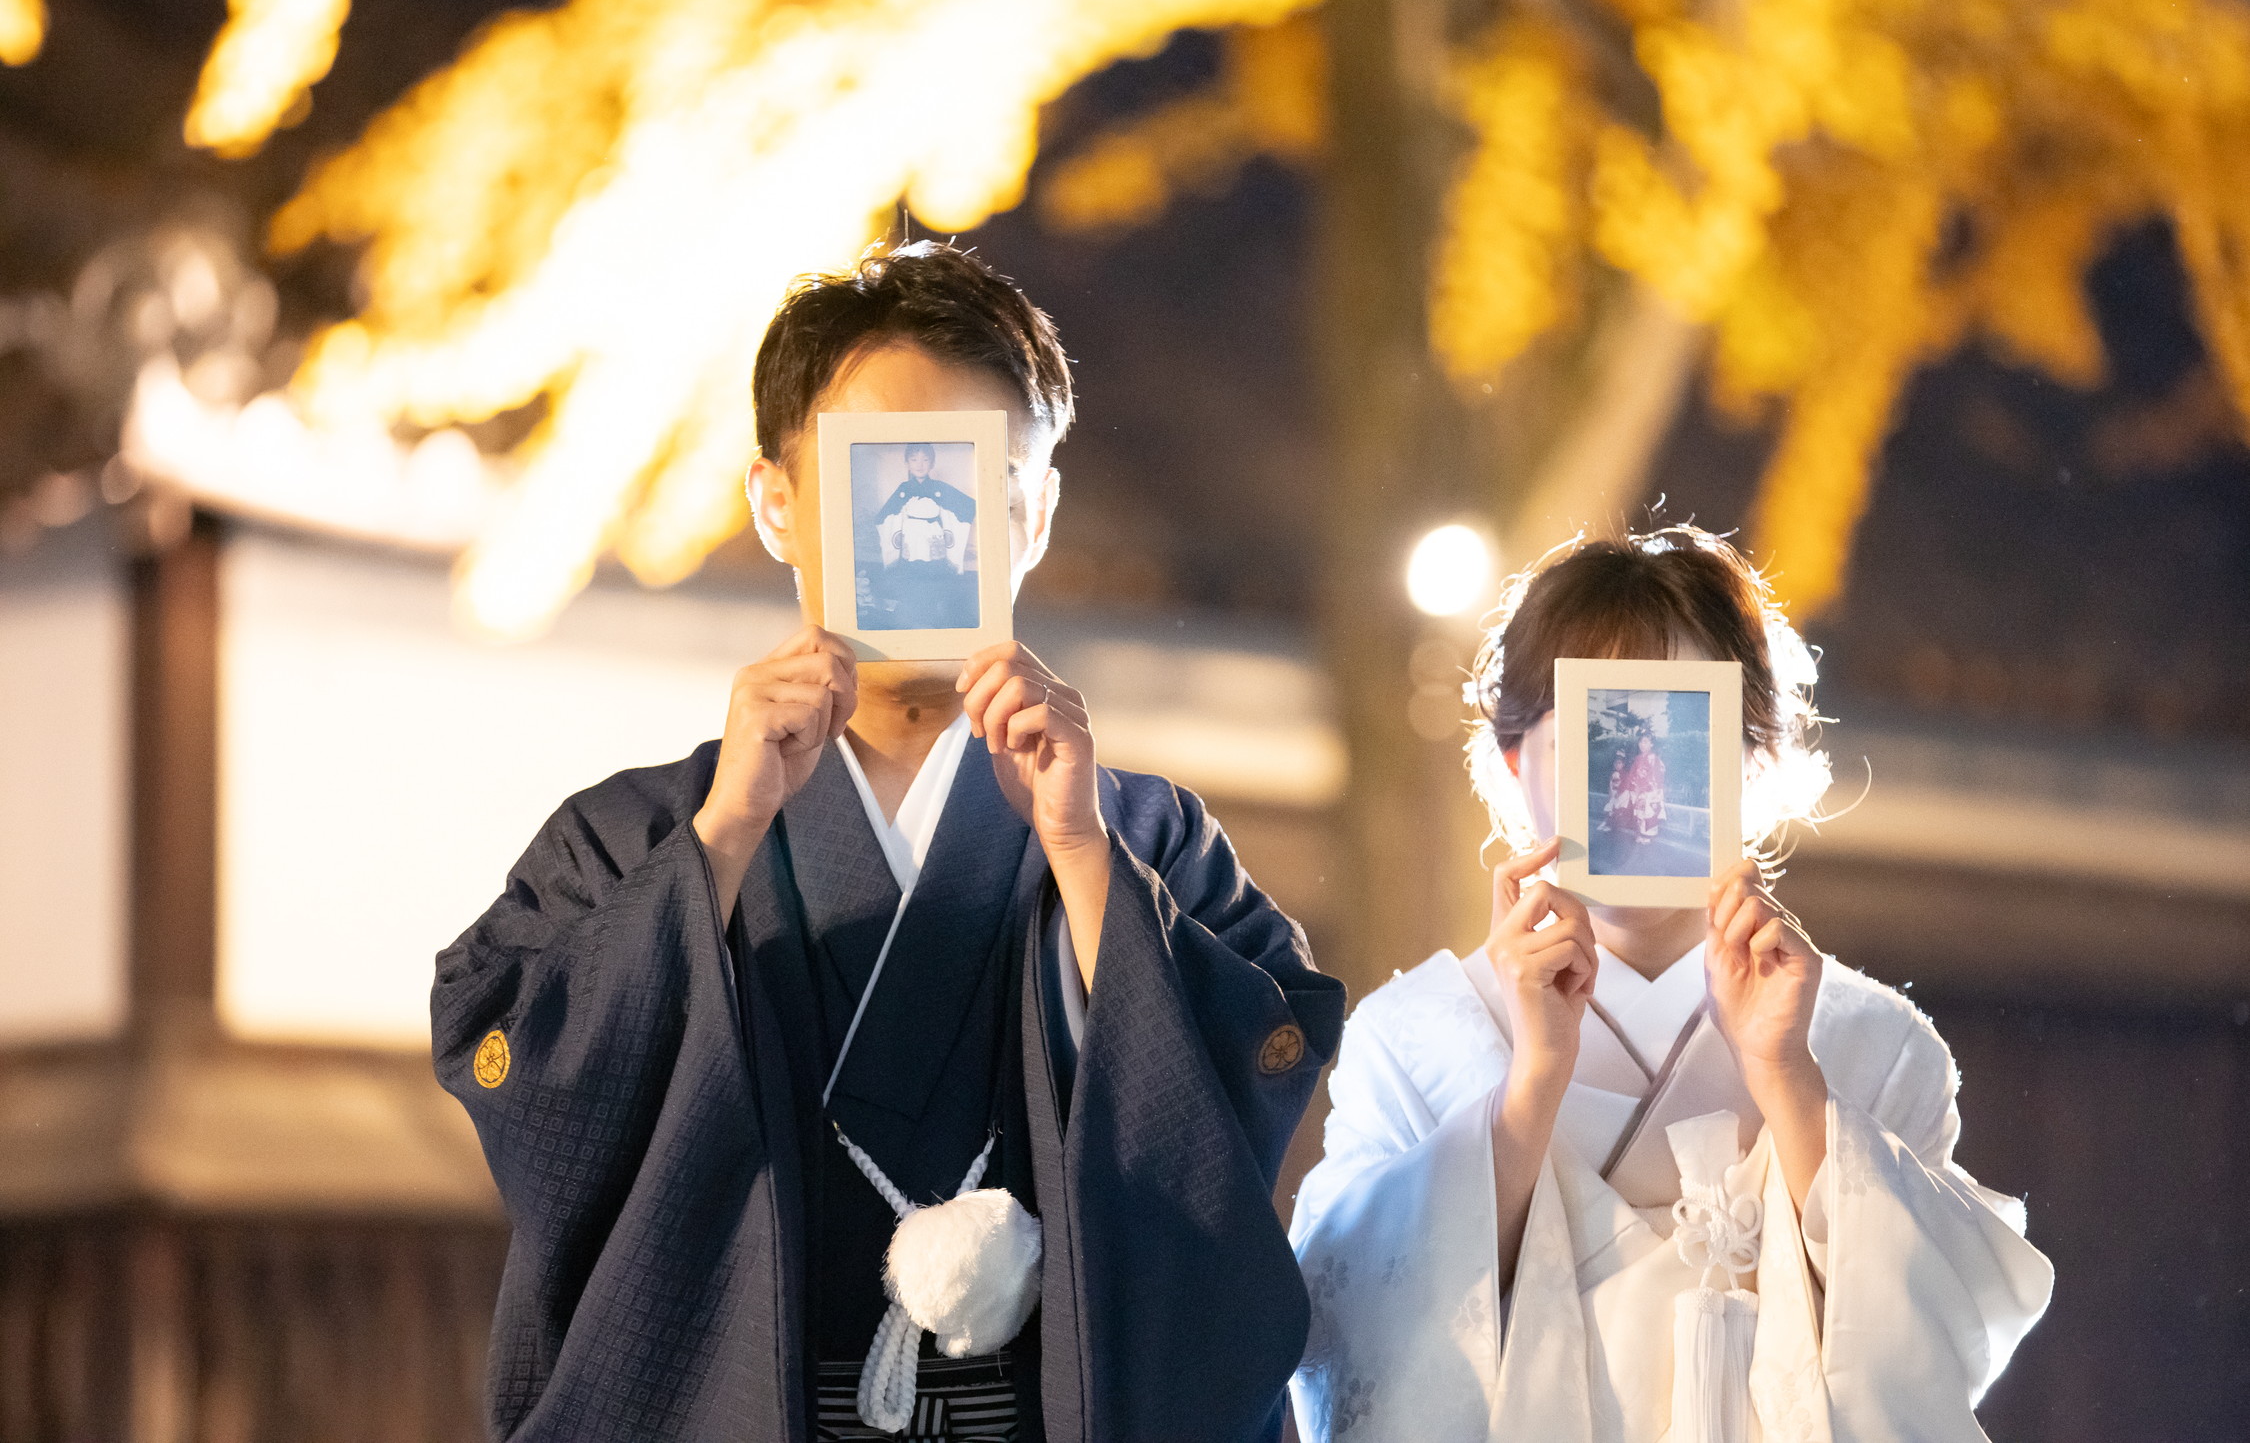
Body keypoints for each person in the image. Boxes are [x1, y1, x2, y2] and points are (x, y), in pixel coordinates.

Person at [433, 242, 1343, 1443]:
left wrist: (1082, 859)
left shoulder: (1144, 839)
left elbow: (1258, 1071)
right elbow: (522, 1072)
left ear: (1035, 512)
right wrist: (722, 840)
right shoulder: (633, 837)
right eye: (873, 477)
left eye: (985, 478)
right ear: (778, 503)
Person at [1289, 527, 2051, 1443]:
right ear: (1515, 762)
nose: (1636, 778)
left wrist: (1790, 1081)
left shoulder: (1871, 1044)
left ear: (1754, 761)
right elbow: (1346, 1333)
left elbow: (1935, 1344)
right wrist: (1531, 1087)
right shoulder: (1414, 1039)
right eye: (1596, 733)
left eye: (1683, 733)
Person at [866, 442, 977, 630]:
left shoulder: (939, 488)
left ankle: (932, 620)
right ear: (907, 463)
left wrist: (947, 525)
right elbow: (885, 516)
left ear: (931, 463)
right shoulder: (904, 489)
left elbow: (968, 505)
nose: (920, 464)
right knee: (911, 579)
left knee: (933, 580)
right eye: (914, 459)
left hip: (932, 536)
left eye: (925, 460)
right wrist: (896, 529)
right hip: (911, 538)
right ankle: (911, 620)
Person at [1620, 729, 1666, 843]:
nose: (1642, 744)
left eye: (1645, 742)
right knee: (1640, 813)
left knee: (1649, 812)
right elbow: (1632, 774)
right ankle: (1641, 833)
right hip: (1638, 789)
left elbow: (1656, 775)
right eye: (1640, 741)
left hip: (1651, 790)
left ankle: (1648, 836)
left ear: (1651, 744)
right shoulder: (1638, 758)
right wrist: (1631, 787)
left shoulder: (1653, 758)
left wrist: (1647, 788)